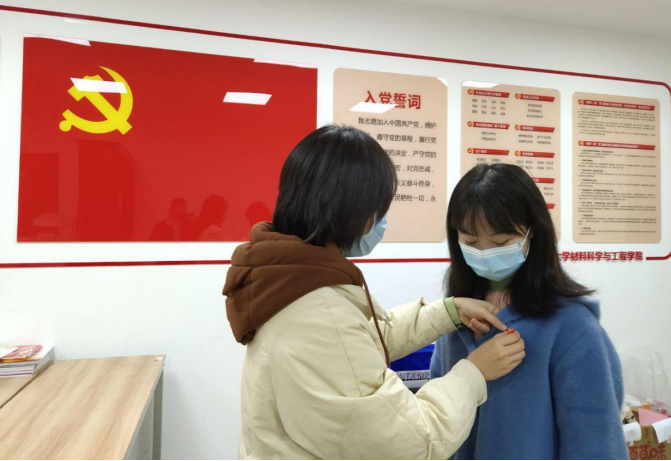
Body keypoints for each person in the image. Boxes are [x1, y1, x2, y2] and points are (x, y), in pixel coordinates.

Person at [224, 126, 525, 460]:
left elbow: (360, 343)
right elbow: (409, 442)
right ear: (359, 214)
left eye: (500, 242)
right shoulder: (317, 313)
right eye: (380, 210)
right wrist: (473, 373)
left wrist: (446, 312)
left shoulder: (285, 279)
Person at [430, 163, 628, 460]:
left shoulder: (572, 326)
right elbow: (436, 415)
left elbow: (595, 443)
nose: (484, 252)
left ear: (531, 230)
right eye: (470, 242)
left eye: (500, 242)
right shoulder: (456, 314)